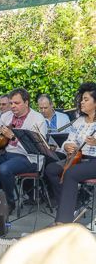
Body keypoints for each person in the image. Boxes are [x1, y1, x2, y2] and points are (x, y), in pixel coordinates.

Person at [0, 88, 47, 214]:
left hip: (29, 158)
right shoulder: (6, 116)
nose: (13, 106)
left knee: (5, 169)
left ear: (26, 103)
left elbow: (36, 148)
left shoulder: (37, 119)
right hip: (7, 154)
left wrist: (13, 137)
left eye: (16, 103)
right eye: (11, 103)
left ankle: (9, 203)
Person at [46, 82, 96, 225]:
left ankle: (63, 221)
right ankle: (75, 207)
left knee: (70, 173)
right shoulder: (79, 121)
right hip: (78, 159)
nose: (82, 102)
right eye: (81, 99)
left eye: (86, 99)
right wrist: (67, 146)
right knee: (51, 170)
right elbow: (69, 140)